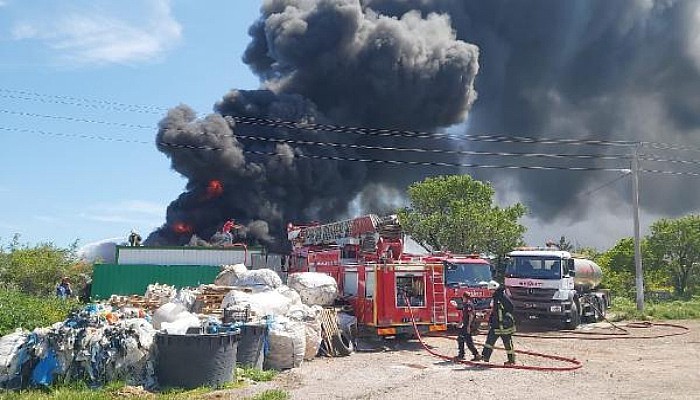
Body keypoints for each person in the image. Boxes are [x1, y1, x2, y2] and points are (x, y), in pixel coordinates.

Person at [481, 285, 516, 365]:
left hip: (504, 325)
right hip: (496, 324)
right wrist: (489, 312)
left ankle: (511, 361)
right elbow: (496, 309)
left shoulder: (502, 297)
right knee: (489, 340)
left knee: (507, 343)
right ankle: (485, 356)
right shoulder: (496, 297)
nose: (490, 292)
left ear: (494, 289)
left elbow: (510, 307)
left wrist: (505, 317)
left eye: (491, 290)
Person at [451, 292, 481, 361]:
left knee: (466, 341)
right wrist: (459, 324)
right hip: (465, 325)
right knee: (464, 340)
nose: (462, 299)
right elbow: (463, 316)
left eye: (463, 297)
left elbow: (471, 315)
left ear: (465, 297)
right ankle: (472, 354)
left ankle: (465, 355)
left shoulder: (469, 305)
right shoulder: (465, 305)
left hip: (468, 325)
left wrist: (468, 326)